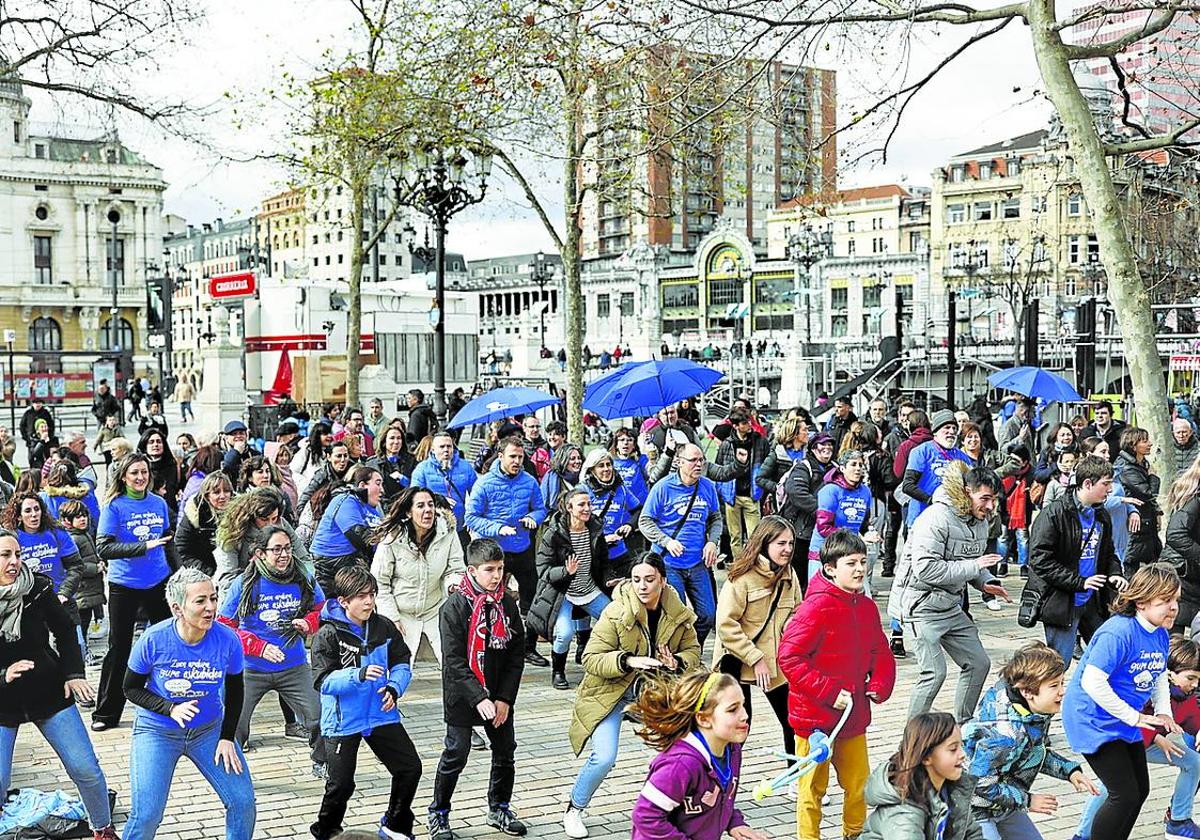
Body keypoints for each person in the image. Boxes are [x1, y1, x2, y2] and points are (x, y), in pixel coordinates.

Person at [559, 551, 700, 837]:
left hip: (651, 694)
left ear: (663, 580)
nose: (643, 586)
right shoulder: (616, 611)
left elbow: (694, 652)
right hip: (609, 693)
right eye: (637, 580)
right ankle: (574, 809)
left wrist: (679, 662)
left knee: (683, 748)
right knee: (605, 757)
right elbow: (590, 658)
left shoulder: (678, 613)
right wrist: (627, 660)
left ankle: (674, 807)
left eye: (649, 579)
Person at [0, 529, 118, 840]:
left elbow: (65, 630)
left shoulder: (36, 587)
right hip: (1, 699)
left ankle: (103, 829)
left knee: (85, 769)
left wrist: (73, 673)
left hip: (47, 688)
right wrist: (3, 675)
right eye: (5, 555)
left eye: (17, 554)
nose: (14, 562)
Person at [779, 529, 896, 840]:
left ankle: (854, 835)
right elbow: (789, 658)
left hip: (853, 718)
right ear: (830, 568)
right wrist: (829, 691)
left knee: (859, 785)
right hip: (814, 720)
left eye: (863, 562)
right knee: (811, 791)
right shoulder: (814, 607)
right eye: (851, 563)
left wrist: (881, 682)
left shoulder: (867, 606)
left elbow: (880, 651)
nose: (859, 569)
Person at [121, 567, 254, 839]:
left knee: (243, 803)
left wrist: (228, 737)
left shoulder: (228, 639)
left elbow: (236, 689)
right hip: (157, 732)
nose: (211, 608)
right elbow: (130, 689)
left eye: (213, 598)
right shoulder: (154, 640)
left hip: (209, 732)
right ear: (177, 608)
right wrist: (170, 708)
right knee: (146, 815)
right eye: (200, 601)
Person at [1061, 563, 1182, 840]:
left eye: (1176, 599)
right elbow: (1092, 682)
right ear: (1141, 602)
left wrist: (1164, 712)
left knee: (1139, 791)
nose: (1174, 607)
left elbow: (1159, 674)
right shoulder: (1118, 632)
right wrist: (1134, 717)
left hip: (1124, 716)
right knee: (1123, 794)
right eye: (1165, 601)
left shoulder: (1160, 634)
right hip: (1092, 718)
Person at [307, 565, 420, 840]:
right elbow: (322, 681)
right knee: (341, 785)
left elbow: (402, 662)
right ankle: (325, 831)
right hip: (343, 721)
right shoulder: (328, 634)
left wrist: (394, 688)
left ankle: (396, 825)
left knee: (410, 768)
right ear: (344, 601)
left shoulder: (384, 627)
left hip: (380, 714)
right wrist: (357, 675)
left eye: (372, 594)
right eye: (361, 596)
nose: (369, 601)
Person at [892, 463, 1010, 721]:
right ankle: (912, 739)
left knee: (979, 663)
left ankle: (963, 725)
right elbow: (926, 570)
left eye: (994, 500)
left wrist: (986, 582)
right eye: (985, 499)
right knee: (934, 674)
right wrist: (976, 566)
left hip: (950, 605)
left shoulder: (980, 521)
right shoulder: (935, 518)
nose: (990, 507)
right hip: (919, 604)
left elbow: (973, 562)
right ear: (967, 492)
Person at [428, 539, 527, 840]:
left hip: (497, 693)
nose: (496, 576)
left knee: (505, 750)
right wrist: (478, 697)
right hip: (463, 693)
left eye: (500, 569)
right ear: (471, 571)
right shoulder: (454, 607)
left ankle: (499, 807)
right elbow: (454, 662)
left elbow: (515, 654)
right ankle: (439, 813)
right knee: (456, 752)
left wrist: (504, 699)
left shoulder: (507, 603)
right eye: (489, 570)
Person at [961, 642, 1098, 840]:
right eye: (1054, 686)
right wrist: (1028, 800)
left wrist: (1069, 770)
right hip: (971, 809)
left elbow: (1031, 751)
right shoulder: (1004, 735)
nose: (1062, 691)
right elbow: (978, 783)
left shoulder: (1032, 712)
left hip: (1003, 802)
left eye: (1061, 683)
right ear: (1027, 692)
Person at [217, 526, 325, 770]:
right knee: (233, 725)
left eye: (287, 548)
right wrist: (257, 647)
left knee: (320, 718)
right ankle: (234, 772)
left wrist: (309, 622)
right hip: (250, 669)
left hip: (293, 665)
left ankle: (322, 762)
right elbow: (224, 627)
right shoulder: (245, 582)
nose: (284, 554)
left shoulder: (303, 577)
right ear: (260, 554)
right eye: (276, 549)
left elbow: (322, 608)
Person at [1073, 636, 1200, 840]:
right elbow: (1129, 715)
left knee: (1193, 761)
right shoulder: (1147, 684)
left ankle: (1179, 820)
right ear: (1170, 673)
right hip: (1124, 740)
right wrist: (1157, 738)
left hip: (1149, 743)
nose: (1194, 684)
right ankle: (1083, 834)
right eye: (1190, 678)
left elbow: (1193, 717)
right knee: (1115, 786)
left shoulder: (1185, 694)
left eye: (1198, 680)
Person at [629, 671, 766, 840]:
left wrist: (734, 822)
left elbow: (720, 798)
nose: (745, 715)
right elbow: (645, 816)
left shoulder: (732, 749)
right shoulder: (680, 765)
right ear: (703, 719)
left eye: (743, 705)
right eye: (733, 709)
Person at [92, 452, 174, 731]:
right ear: (123, 476)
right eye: (134, 473)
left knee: (168, 642)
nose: (140, 477)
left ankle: (170, 704)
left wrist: (179, 575)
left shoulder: (159, 503)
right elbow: (103, 547)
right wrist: (142, 547)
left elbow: (168, 541)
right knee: (119, 648)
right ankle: (106, 713)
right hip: (124, 585)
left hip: (159, 582)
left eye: (144, 472)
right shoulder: (114, 507)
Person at [1025, 455, 1125, 666]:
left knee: (1108, 658)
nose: (1110, 490)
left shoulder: (1101, 515)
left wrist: (1115, 575)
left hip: (1093, 602)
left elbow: (1109, 554)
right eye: (1105, 484)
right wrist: (1080, 582)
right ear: (1087, 483)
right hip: (1062, 601)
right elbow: (1040, 561)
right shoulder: (1053, 514)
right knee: (1059, 664)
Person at [464, 436, 548, 666]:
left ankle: (529, 648)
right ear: (500, 456)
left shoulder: (529, 481)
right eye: (513, 456)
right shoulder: (484, 483)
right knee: (492, 598)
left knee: (531, 599)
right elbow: (471, 517)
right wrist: (497, 528)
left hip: (522, 548)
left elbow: (541, 509)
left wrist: (533, 517)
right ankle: (492, 644)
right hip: (495, 551)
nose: (517, 461)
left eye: (520, 457)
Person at [639, 442, 723, 646]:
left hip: (697, 563)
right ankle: (677, 659)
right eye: (693, 460)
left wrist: (712, 542)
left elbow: (716, 518)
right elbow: (645, 521)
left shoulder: (707, 487)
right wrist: (667, 541)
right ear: (679, 462)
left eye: (701, 460)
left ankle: (693, 650)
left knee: (708, 615)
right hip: (668, 564)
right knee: (677, 617)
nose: (699, 464)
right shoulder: (663, 487)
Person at [528, 488, 611, 690]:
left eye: (589, 504)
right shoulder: (554, 533)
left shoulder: (595, 528)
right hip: (563, 593)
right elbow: (543, 569)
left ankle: (606, 665)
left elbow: (604, 562)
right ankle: (558, 672)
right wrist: (565, 571)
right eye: (581, 505)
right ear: (569, 508)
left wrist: (610, 579)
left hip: (589, 589)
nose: (587, 508)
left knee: (615, 619)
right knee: (564, 633)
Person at [371, 486, 464, 665]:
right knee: (397, 669)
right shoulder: (392, 539)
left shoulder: (448, 532)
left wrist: (453, 584)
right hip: (401, 611)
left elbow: (456, 569)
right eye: (420, 506)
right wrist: (391, 618)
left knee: (454, 664)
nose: (428, 510)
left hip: (436, 608)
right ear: (408, 512)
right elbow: (379, 583)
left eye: (431, 505)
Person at [860, 712, 981, 840]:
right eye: (953, 749)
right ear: (926, 757)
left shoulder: (952, 789)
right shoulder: (903, 814)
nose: (962, 754)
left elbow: (971, 833)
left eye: (961, 746)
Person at [214, 487, 310, 597]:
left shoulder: (281, 524)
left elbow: (304, 559)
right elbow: (227, 578)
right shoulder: (232, 533)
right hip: (242, 592)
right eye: (264, 519)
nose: (270, 524)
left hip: (280, 590)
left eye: (273, 518)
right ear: (251, 516)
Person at [310, 465, 384, 594]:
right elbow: (357, 534)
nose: (382, 490)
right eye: (378, 483)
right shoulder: (346, 500)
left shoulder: (372, 509)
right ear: (362, 485)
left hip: (350, 560)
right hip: (329, 565)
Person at [808, 450, 876, 581]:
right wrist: (853, 539)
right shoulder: (830, 490)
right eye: (853, 464)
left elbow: (864, 524)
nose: (857, 469)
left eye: (860, 465)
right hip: (825, 554)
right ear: (842, 468)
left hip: (851, 553)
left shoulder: (865, 492)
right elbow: (823, 528)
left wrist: (869, 533)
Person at [902, 409, 972, 529]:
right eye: (947, 427)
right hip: (922, 518)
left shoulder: (962, 456)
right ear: (936, 431)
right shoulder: (921, 451)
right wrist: (931, 499)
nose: (952, 431)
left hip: (951, 521)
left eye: (954, 428)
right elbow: (907, 486)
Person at [580, 448, 640, 584]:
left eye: (609, 465)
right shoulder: (582, 490)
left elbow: (638, 511)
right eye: (601, 466)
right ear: (592, 470)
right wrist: (602, 539)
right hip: (593, 555)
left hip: (619, 552)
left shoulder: (621, 489)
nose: (606, 469)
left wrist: (629, 525)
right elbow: (574, 524)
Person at [715, 407, 768, 557]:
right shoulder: (727, 444)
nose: (749, 425)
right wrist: (722, 491)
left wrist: (762, 486)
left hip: (752, 494)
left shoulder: (759, 441)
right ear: (736, 426)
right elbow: (719, 468)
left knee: (755, 537)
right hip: (732, 496)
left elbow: (766, 465)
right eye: (744, 423)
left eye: (749, 421)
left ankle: (752, 565)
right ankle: (739, 567)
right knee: (735, 537)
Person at [410, 432, 477, 550]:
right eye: (442, 447)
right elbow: (414, 496)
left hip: (460, 526)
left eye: (449, 446)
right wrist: (439, 499)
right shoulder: (422, 469)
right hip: (432, 527)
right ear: (433, 449)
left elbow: (477, 494)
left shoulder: (465, 467)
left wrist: (474, 516)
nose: (446, 450)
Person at [60, 500, 106, 664]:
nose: (83, 519)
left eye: (84, 515)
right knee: (81, 625)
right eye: (77, 517)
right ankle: (81, 655)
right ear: (67, 520)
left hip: (90, 590)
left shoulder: (84, 534)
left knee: (85, 624)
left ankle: (84, 652)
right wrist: (96, 568)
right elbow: (74, 566)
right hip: (82, 592)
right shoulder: (73, 539)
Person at [1114, 426, 1160, 576]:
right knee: (1130, 564)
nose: (1150, 444)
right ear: (1133, 445)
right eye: (1145, 441)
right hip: (1135, 523)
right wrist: (1153, 477)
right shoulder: (1126, 467)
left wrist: (1157, 511)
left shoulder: (1142, 464)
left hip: (1146, 521)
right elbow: (1148, 493)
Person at [1164, 454, 1200, 631]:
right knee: (1174, 633)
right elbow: (1175, 534)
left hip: (1188, 573)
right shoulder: (1194, 498)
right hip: (1182, 573)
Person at [41, 459, 100, 534]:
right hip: (84, 537)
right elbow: (96, 520)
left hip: (54, 539)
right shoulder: (86, 495)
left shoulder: (44, 497)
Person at [368, 425, 416, 508]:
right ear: (384, 442)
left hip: (406, 505)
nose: (396, 441)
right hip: (382, 506)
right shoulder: (373, 463)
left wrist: (405, 481)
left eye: (399, 438)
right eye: (392, 438)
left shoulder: (412, 461)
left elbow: (417, 485)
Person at [292, 421, 334, 496]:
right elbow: (293, 472)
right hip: (307, 495)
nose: (329, 436)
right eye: (325, 434)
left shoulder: (330, 453)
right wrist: (309, 485)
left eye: (330, 433)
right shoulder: (306, 451)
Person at [540, 443, 583, 511]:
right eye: (572, 459)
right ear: (563, 460)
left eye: (579, 458)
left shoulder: (584, 478)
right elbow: (542, 503)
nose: (577, 461)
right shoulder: (551, 478)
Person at [221, 419, 261, 484]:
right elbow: (226, 468)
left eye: (241, 433)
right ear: (226, 438)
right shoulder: (222, 455)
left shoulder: (255, 454)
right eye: (234, 434)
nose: (238, 436)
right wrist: (236, 451)